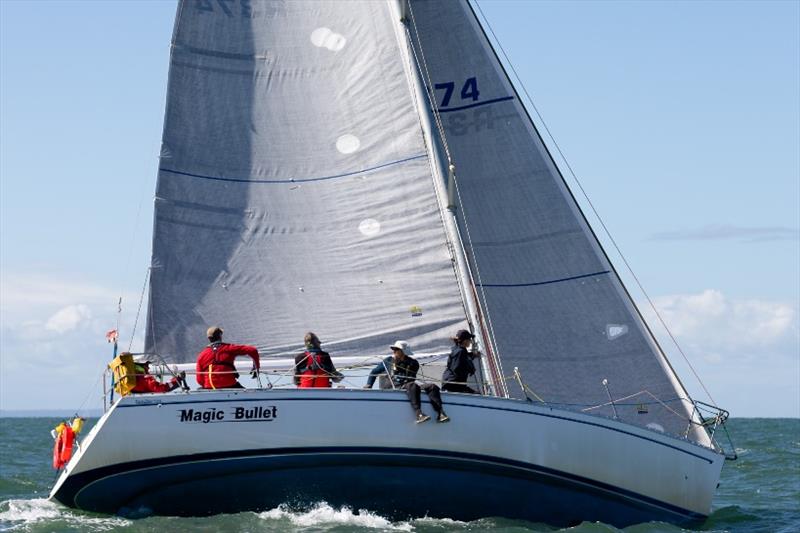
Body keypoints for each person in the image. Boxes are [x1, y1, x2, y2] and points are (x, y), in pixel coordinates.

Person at [364, 341, 449, 424]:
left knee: (432, 386)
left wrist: (401, 363)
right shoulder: (388, 360)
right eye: (393, 349)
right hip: (394, 387)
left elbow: (411, 378)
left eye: (396, 349)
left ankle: (440, 413)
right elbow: (374, 372)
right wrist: (369, 385)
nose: (394, 351)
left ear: (403, 351)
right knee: (412, 385)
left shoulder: (413, 363)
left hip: (407, 386)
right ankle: (419, 414)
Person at [196, 326, 260, 389]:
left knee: (199, 389)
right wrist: (256, 367)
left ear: (209, 338)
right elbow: (253, 350)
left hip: (210, 387)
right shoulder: (229, 348)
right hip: (229, 384)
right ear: (220, 336)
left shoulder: (201, 355)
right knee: (244, 392)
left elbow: (199, 380)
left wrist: (208, 385)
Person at [442, 329, 480, 394]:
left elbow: (465, 357)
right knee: (477, 396)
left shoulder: (458, 349)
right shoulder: (460, 351)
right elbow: (456, 368)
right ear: (465, 341)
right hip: (453, 384)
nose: (470, 341)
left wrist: (474, 355)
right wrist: (469, 369)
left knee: (477, 395)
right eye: (469, 340)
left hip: (453, 383)